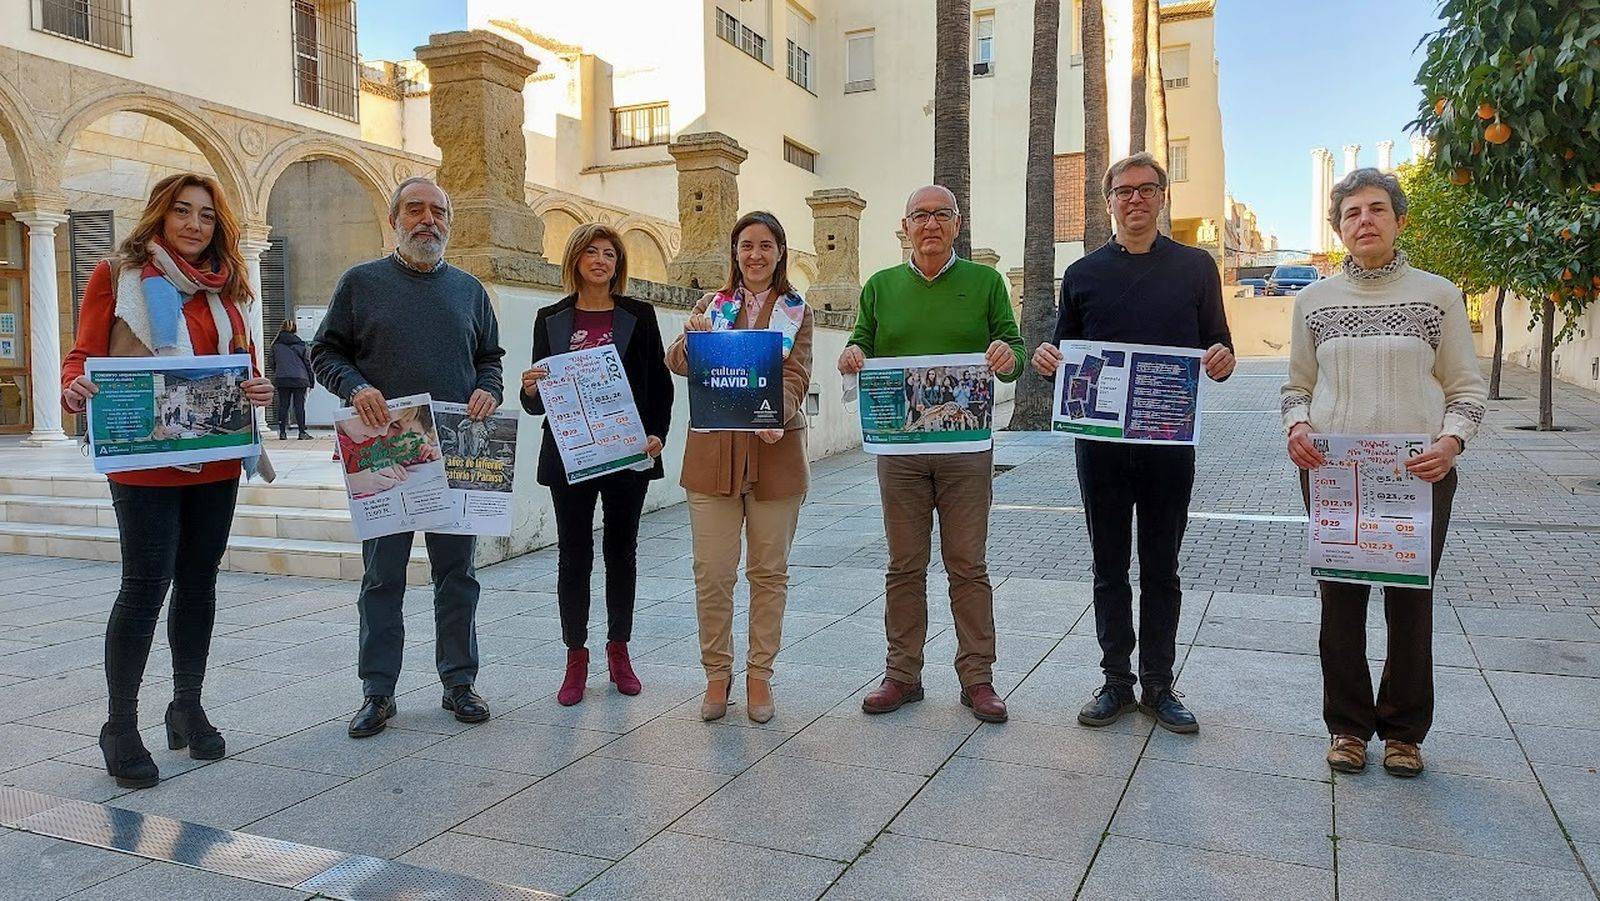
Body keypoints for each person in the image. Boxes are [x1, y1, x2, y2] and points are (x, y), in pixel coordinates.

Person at [60, 173, 274, 789]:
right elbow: (82, 355)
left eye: (206, 215)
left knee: (199, 583)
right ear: (160, 214)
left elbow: (244, 365)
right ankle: (120, 725)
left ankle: (186, 705)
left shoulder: (230, 285)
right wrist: (75, 387)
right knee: (144, 585)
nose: (194, 225)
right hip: (144, 458)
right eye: (182, 211)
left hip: (217, 455)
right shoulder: (117, 275)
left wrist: (259, 387)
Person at [1283, 167, 1486, 777]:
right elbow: (1297, 387)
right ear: (1339, 228)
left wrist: (1451, 443)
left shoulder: (1438, 295)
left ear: (1399, 220)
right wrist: (1297, 427)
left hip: (1419, 476)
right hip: (1335, 475)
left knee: (1410, 605)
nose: (1364, 220)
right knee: (1340, 603)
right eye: (1351, 213)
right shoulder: (1313, 301)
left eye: (1376, 209)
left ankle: (1404, 733)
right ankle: (1347, 727)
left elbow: (1466, 388)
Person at [1031, 152, 1235, 735]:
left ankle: (1160, 684)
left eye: (1147, 189)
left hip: (1168, 444)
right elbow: (1063, 349)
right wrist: (1047, 359)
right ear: (1109, 202)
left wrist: (1221, 359)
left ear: (1162, 198)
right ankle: (1116, 682)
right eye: (1124, 191)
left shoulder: (1196, 268)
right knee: (1109, 565)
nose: (1135, 199)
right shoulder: (1082, 274)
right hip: (1100, 448)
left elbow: (1218, 343)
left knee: (1162, 566)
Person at [311, 176, 505, 738]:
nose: (428, 220)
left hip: (456, 455)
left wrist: (488, 388)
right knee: (382, 579)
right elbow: (325, 353)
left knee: (458, 575)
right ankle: (377, 692)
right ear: (394, 220)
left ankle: (459, 682)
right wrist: (355, 388)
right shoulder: (360, 284)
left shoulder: (470, 291)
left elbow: (489, 358)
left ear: (449, 223)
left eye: (438, 211)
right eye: (415, 210)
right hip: (383, 455)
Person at [838, 184, 1026, 724]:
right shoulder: (880, 286)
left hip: (966, 449)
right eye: (920, 215)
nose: (931, 224)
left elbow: (1013, 350)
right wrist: (852, 354)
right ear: (906, 226)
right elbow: (861, 342)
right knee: (904, 565)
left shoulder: (986, 283)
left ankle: (978, 679)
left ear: (957, 224)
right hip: (900, 451)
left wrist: (1005, 355)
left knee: (968, 564)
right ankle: (902, 674)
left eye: (942, 215)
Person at [665, 211, 814, 723]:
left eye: (766, 245)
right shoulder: (711, 306)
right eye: (746, 245)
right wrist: (692, 338)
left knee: (768, 573)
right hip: (713, 459)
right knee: (712, 573)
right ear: (735, 252)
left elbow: (796, 375)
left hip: (776, 456)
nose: (755, 254)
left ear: (780, 252)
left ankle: (759, 676)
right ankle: (716, 674)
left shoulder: (796, 311)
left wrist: (779, 414)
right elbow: (678, 363)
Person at [520, 224, 671, 706]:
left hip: (626, 450)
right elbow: (538, 403)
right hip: (570, 454)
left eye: (609, 253)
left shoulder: (639, 315)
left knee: (621, 552)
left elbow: (659, 384)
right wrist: (529, 390)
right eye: (591, 252)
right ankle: (575, 657)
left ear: (617, 263)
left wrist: (658, 434)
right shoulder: (550, 319)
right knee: (574, 555)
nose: (601, 260)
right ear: (575, 259)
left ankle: (619, 652)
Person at [270, 318, 313, 440]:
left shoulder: (275, 345)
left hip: (282, 378)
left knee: (283, 405)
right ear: (295, 330)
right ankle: (302, 432)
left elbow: (271, 362)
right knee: (299, 406)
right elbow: (308, 363)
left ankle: (282, 432)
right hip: (300, 378)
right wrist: (311, 380)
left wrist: (279, 370)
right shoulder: (301, 344)